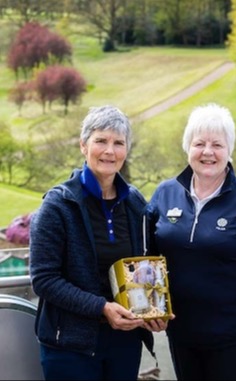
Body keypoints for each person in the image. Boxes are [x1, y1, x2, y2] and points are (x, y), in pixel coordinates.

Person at [29, 105, 168, 380]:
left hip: (124, 342)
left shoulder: (136, 204)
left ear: (126, 150)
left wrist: (154, 309)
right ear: (83, 146)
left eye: (118, 143)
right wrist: (101, 307)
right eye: (101, 140)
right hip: (70, 346)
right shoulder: (57, 206)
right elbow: (44, 279)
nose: (109, 151)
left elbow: (145, 268)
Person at [147, 103, 236, 380]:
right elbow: (148, 260)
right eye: (200, 143)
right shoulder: (164, 193)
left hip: (234, 339)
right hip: (181, 334)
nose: (208, 152)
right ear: (187, 148)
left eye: (217, 144)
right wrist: (151, 309)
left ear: (229, 150)